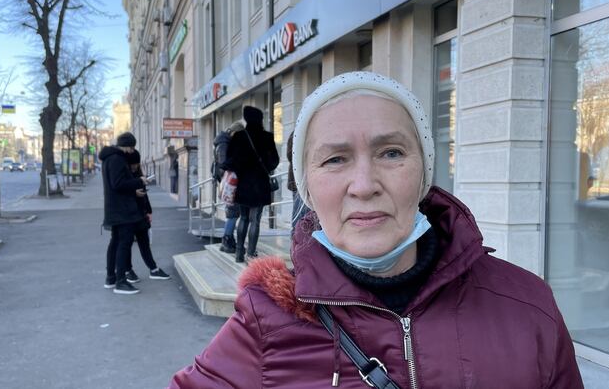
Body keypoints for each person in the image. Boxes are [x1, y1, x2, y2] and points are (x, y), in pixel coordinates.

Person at [168, 71, 583, 388]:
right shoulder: (266, 323)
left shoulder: (526, 306)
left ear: (424, 173)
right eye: (335, 159)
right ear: (307, 187)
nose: (364, 185)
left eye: (391, 153)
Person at [223, 106, 279, 263]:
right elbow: (274, 160)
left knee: (244, 218)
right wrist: (264, 167)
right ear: (260, 119)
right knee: (255, 219)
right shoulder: (267, 137)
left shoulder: (239, 136)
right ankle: (251, 253)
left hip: (243, 185)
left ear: (246, 118)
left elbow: (230, 161)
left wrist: (241, 169)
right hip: (260, 184)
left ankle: (239, 253)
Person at [99, 132, 147, 295]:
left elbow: (115, 186)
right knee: (123, 244)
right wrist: (139, 181)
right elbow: (118, 184)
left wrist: (133, 191)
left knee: (115, 243)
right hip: (123, 211)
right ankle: (121, 281)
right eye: (131, 147)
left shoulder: (108, 158)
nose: (132, 151)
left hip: (115, 208)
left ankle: (111, 278)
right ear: (126, 146)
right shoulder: (117, 159)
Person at [124, 150, 171, 282]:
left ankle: (153, 269)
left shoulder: (139, 174)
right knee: (126, 245)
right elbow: (120, 193)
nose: (135, 166)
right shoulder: (124, 176)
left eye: (136, 164)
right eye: (132, 164)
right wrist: (134, 193)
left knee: (144, 243)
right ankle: (128, 271)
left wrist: (148, 211)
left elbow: (145, 195)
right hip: (128, 215)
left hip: (140, 214)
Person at [213, 120, 245, 253]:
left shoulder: (224, 143)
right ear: (234, 132)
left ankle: (227, 240)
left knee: (233, 213)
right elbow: (224, 165)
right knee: (233, 213)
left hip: (229, 183)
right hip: (230, 185)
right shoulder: (224, 144)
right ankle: (227, 241)